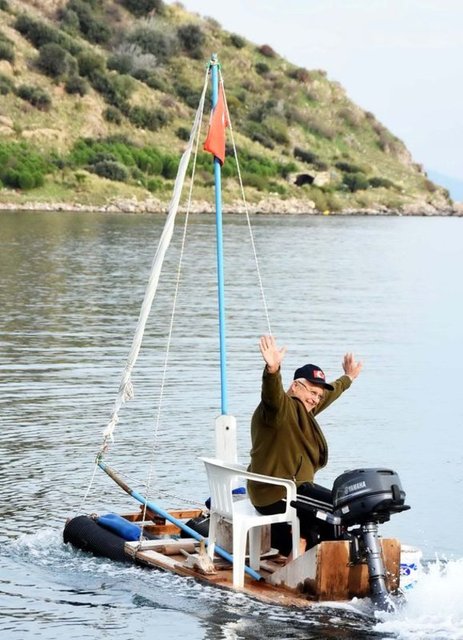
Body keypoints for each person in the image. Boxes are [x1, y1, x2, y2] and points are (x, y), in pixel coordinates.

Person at [247, 335, 363, 555]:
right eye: (311, 392)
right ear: (295, 387)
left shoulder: (303, 411)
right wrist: (273, 370)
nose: (315, 399)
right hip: (277, 491)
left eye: (318, 396)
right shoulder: (278, 410)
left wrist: (348, 378)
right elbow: (271, 395)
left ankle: (302, 547)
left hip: (288, 489)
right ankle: (311, 557)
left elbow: (329, 394)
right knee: (340, 509)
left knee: (338, 509)